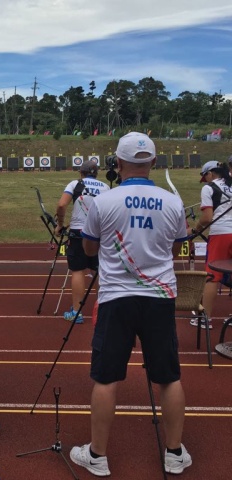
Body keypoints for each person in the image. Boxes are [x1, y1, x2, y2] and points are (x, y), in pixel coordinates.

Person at [72, 132, 191, 477]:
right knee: (168, 377)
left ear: (118, 164)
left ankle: (97, 456)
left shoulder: (104, 201)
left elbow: (90, 249)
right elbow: (175, 249)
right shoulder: (171, 202)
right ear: (153, 163)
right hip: (159, 298)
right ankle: (173, 453)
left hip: (116, 299)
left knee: (106, 378)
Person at [54, 160, 109, 323]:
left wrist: (60, 225)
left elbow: (62, 205)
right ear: (96, 173)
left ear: (81, 172)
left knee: (78, 270)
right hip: (98, 233)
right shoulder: (105, 187)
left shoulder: (74, 184)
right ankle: (102, 311)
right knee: (98, 270)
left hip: (78, 232)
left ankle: (77, 313)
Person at [192, 160, 232, 328]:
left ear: (210, 173)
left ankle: (205, 318)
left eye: (205, 177)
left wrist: (196, 229)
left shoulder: (209, 188)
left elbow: (207, 217)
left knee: (212, 276)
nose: (205, 181)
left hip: (221, 234)